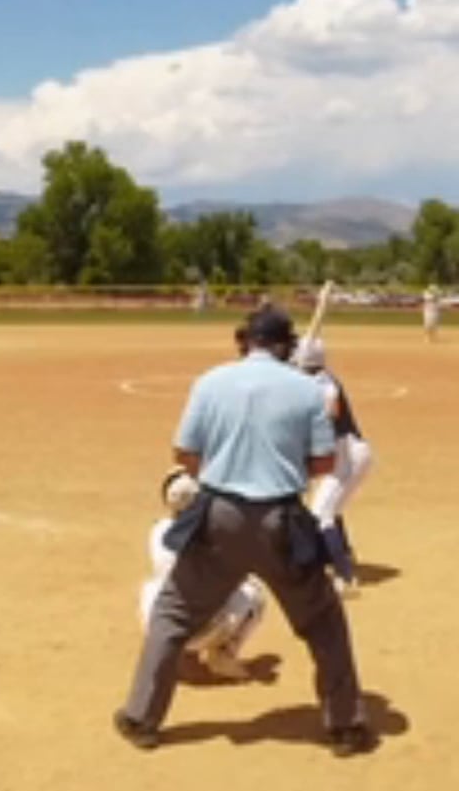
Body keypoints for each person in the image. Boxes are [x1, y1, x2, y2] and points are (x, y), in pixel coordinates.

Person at [116, 307, 374, 757]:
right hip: (281, 521)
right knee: (323, 622)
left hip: (218, 517)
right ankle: (345, 725)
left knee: (173, 615)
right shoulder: (306, 390)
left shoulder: (210, 381)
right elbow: (323, 464)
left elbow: (184, 453)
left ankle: (141, 717)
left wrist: (223, 468)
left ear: (243, 342)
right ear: (286, 345)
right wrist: (285, 459)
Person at [139, 468, 267, 680]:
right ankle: (223, 656)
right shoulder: (217, 534)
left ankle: (168, 653)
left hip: (160, 622)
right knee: (254, 592)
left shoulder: (158, 530)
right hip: (202, 628)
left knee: (153, 587)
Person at [294, 336, 373, 595]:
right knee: (330, 506)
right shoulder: (310, 381)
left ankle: (345, 577)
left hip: (349, 457)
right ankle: (342, 555)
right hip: (344, 457)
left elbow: (332, 410)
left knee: (320, 512)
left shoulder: (323, 383)